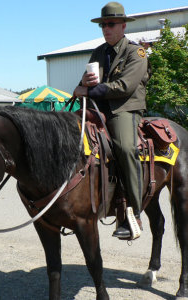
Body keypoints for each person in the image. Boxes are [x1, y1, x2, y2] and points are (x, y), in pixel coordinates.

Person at [73, 2, 150, 240]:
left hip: (123, 109)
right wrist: (84, 83)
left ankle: (134, 212)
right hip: (97, 108)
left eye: (111, 24)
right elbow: (86, 84)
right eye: (103, 24)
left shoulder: (136, 53)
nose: (106, 28)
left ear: (123, 26)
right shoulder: (98, 52)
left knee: (125, 148)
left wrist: (88, 91)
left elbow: (125, 87)